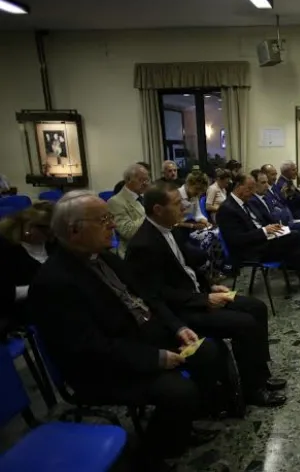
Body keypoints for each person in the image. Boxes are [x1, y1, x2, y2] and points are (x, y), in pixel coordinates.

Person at [28, 190, 230, 464]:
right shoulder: (54, 283)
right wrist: (156, 358)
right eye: (103, 220)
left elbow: (149, 297)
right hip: (103, 366)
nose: (112, 224)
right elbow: (90, 348)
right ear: (74, 230)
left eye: (110, 217)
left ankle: (180, 426)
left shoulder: (105, 257)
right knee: (178, 391)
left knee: (209, 352)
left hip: (139, 337)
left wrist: (177, 327)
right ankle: (153, 455)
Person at [125, 183, 286, 407]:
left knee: (257, 307)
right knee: (245, 324)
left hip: (197, 296)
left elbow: (188, 268)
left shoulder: (171, 229)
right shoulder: (143, 245)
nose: (183, 207)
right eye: (176, 203)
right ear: (158, 210)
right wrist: (204, 299)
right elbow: (156, 294)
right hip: (182, 310)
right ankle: (252, 390)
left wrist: (210, 287)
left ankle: (260, 375)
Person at [216, 173, 300, 313]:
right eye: (249, 188)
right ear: (238, 187)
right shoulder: (227, 209)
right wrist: (264, 231)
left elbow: (264, 219)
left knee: (299, 253)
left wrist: (274, 227)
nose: (252, 192)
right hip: (249, 251)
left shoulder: (247, 202)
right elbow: (235, 240)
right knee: (296, 236)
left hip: (263, 242)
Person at [0, 201, 54, 327]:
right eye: (46, 232)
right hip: (20, 312)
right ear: (29, 227)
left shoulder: (52, 244)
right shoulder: (6, 249)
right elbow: (5, 294)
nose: (50, 236)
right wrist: (39, 288)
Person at [260, 163, 300, 238]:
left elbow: (285, 202)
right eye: (272, 175)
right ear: (264, 175)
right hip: (288, 219)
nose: (275, 177)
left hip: (290, 218)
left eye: (275, 174)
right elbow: (299, 200)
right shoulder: (279, 186)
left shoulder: (275, 187)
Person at [107, 163, 150, 257]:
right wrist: (151, 214)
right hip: (134, 252)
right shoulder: (115, 202)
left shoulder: (145, 197)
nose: (146, 183)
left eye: (147, 180)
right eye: (141, 180)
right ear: (128, 180)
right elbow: (127, 232)